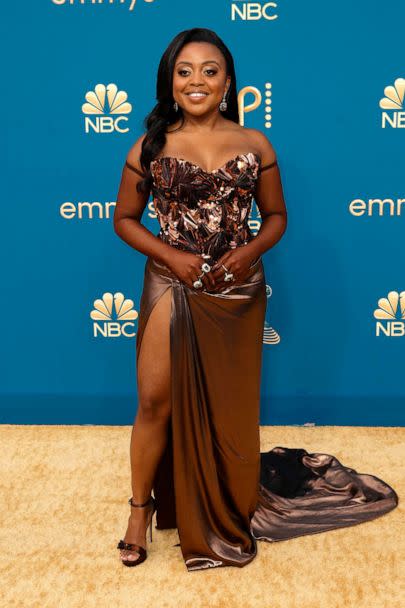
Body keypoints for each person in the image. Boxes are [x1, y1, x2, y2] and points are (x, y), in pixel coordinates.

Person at [113, 28, 398, 571]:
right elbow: (124, 220)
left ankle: (226, 499)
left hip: (236, 291)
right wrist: (172, 257)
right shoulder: (149, 147)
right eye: (185, 71)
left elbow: (277, 219)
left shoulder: (256, 145)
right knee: (154, 401)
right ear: (170, 82)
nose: (197, 81)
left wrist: (246, 254)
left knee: (230, 410)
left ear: (228, 82)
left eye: (210, 71)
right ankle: (138, 511)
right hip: (170, 284)